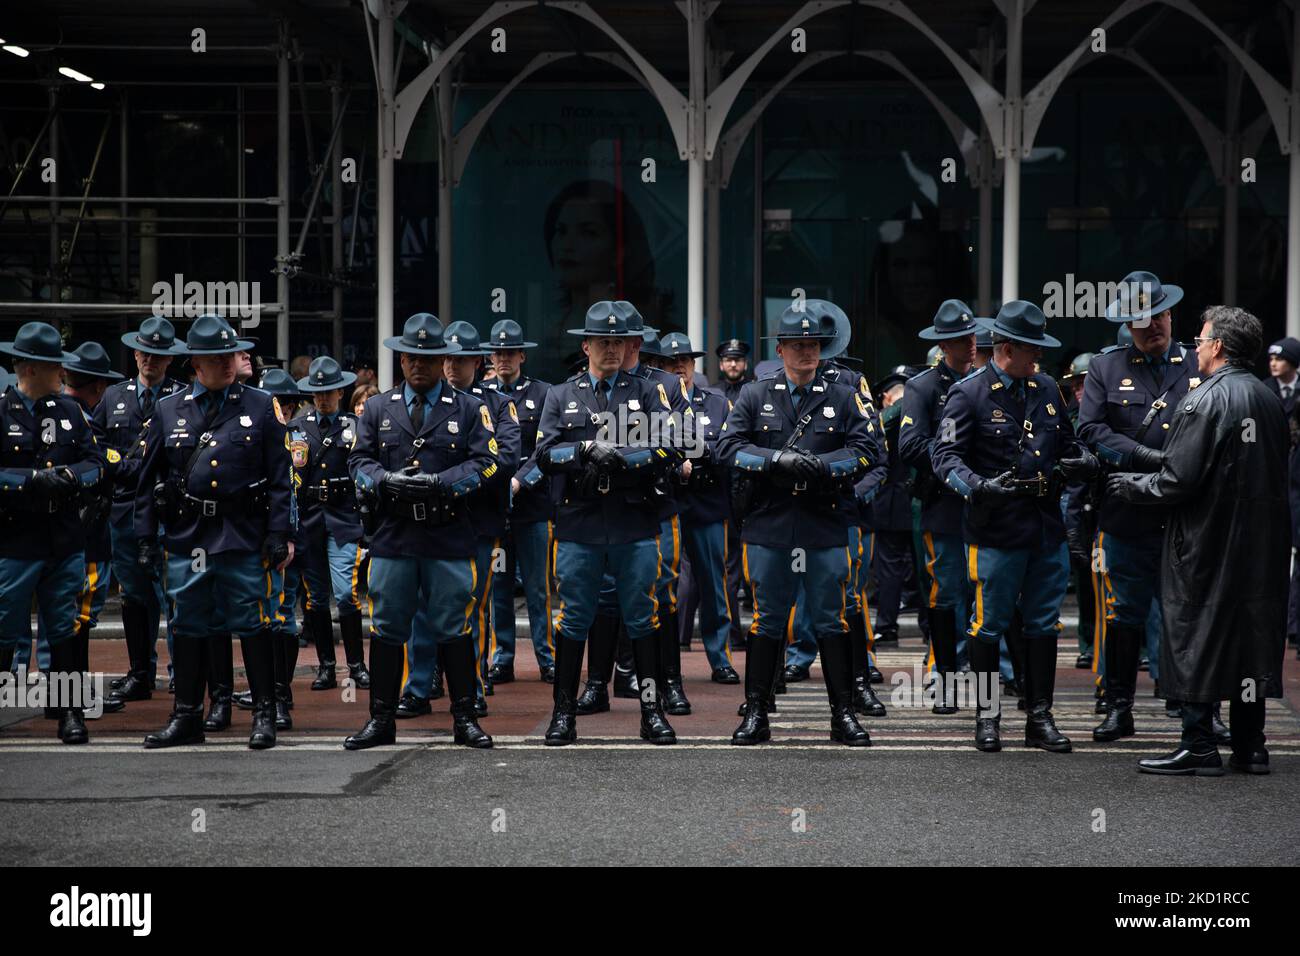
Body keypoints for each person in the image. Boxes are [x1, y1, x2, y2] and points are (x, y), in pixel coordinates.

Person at [1108, 306, 1288, 776]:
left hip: (1205, 543)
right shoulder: (1268, 399)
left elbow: (1176, 481)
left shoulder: (1205, 399)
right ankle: (1250, 745)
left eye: (1202, 338)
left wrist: (1125, 486)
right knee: (1250, 641)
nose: (1196, 346)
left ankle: (1199, 743)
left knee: (1194, 634)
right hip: (1260, 546)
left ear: (1219, 347)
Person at [930, 300, 1099, 754]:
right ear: (1007, 348)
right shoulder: (969, 393)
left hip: (1044, 525)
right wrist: (978, 487)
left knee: (1044, 624)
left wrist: (1081, 460)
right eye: (1032, 349)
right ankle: (988, 718)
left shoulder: (1045, 388)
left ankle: (1039, 715)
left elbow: (1066, 442)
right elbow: (943, 457)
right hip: (996, 528)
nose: (1039, 357)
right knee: (988, 625)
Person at [133, 315, 294, 749]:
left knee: (253, 621)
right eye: (217, 357)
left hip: (242, 533)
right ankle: (187, 715)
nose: (227, 363)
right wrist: (145, 537)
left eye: (231, 355)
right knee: (187, 622)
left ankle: (264, 714)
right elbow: (146, 481)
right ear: (195, 364)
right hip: (189, 536)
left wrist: (280, 532)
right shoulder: (169, 409)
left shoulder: (261, 405)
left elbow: (282, 478)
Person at [718, 305, 876, 746]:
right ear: (782, 349)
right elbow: (728, 448)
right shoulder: (755, 393)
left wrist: (823, 467)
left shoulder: (844, 394)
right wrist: (777, 459)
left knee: (831, 620)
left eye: (814, 345)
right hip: (771, 524)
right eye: (798, 345)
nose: (807, 352)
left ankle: (842, 713)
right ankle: (756, 712)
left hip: (825, 521)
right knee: (767, 620)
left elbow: (867, 451)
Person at [345, 313, 498, 750]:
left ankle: (465, 719)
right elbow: (358, 461)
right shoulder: (378, 408)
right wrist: (385, 480)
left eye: (428, 358)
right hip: (394, 535)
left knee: (454, 626)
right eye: (411, 357)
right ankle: (381, 719)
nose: (418, 365)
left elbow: (487, 463)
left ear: (442, 359)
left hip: (447, 534)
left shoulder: (469, 408)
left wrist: (442, 484)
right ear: (401, 358)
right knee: (389, 627)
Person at [533, 301, 681, 746]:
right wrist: (581, 452)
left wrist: (624, 457)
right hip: (579, 524)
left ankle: (651, 712)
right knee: (574, 618)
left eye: (618, 341)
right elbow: (543, 453)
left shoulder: (649, 391)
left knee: (643, 617)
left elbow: (671, 446)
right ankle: (563, 713)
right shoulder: (562, 394)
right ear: (587, 345)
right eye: (603, 341)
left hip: (634, 520)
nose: (611, 349)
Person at [1077, 272, 1199, 744]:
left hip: (1184, 515)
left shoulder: (1195, 364)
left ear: (1171, 314)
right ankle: (1118, 706)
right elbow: (1089, 432)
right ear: (1128, 325)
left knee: (1185, 614)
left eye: (1161, 315)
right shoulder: (1106, 367)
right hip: (1127, 513)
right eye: (1142, 320)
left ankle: (1194, 708)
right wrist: (1144, 456)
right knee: (1123, 614)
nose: (1154, 326)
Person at [0, 323, 107, 744]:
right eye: (52, 364)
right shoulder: (2, 410)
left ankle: (70, 712)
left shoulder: (70, 412)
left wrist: (72, 477)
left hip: (62, 539)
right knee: (5, 624)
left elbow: (97, 461)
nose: (61, 371)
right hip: (15, 540)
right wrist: (26, 481)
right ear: (29, 367)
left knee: (65, 627)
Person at [899, 300, 983, 714]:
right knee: (946, 592)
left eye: (971, 337)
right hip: (944, 502)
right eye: (960, 340)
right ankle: (943, 675)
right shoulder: (924, 386)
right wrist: (954, 453)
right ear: (943, 344)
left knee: (982, 592)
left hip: (984, 503)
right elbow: (909, 445)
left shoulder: (986, 381)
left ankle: (983, 673)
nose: (970, 345)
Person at [98, 317, 185, 704]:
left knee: (176, 595)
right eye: (144, 352)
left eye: (158, 355)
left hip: (167, 511)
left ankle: (181, 673)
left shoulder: (180, 399)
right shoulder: (114, 397)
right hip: (125, 510)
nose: (150, 360)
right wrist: (120, 465)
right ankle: (140, 673)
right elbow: (95, 444)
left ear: (169, 360)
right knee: (134, 596)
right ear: (135, 353)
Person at [441, 320, 521, 711]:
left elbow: (506, 457)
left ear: (478, 361)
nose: (454, 367)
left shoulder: (497, 403)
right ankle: (422, 685)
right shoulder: (424, 400)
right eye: (449, 360)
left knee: (473, 604)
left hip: (478, 519)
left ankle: (472, 684)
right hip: (434, 520)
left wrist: (456, 476)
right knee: (429, 606)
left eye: (463, 360)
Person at [660, 331, 737, 682]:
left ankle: (720, 659)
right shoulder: (655, 402)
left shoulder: (718, 402)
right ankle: (666, 659)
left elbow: (729, 447)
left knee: (713, 583)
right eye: (671, 362)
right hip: (668, 502)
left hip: (706, 503)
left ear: (693, 365)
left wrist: (698, 455)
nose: (679, 366)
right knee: (664, 583)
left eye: (685, 360)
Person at [53, 343, 125, 717]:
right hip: (82, 527)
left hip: (68, 527)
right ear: (99, 387)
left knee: (67, 614)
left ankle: (62, 696)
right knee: (77, 615)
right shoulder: (78, 415)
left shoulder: (62, 411)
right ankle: (70, 697)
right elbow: (105, 463)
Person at [289, 357, 369, 694]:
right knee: (316, 598)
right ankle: (326, 667)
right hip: (309, 519)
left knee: (346, 594)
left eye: (329, 391)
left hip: (343, 517)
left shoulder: (355, 426)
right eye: (317, 392)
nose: (324, 398)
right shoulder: (297, 427)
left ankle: (356, 666)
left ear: (340, 391)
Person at [485, 319, 556, 684]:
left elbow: (543, 449)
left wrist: (517, 481)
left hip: (531, 505)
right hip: (496, 510)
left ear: (522, 356)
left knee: (537, 586)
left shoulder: (542, 395)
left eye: (509, 352)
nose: (503, 359)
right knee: (498, 584)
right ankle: (503, 658)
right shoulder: (482, 395)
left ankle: (547, 657)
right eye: (497, 353)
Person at [864, 365, 918, 647]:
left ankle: (887, 628)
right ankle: (898, 628)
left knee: (892, 569)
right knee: (906, 569)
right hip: (903, 501)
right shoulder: (902, 415)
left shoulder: (892, 416)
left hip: (896, 501)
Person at [1059, 352, 1097, 671]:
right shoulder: (1066, 417)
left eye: (1085, 383)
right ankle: (1087, 642)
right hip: (1076, 509)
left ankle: (1138, 648)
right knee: (1085, 580)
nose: (1080, 391)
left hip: (1105, 507)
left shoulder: (1109, 414)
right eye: (1075, 385)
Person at [715, 338, 752, 404]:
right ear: (721, 365)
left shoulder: (754, 391)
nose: (733, 364)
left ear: (745, 364)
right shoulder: (713, 392)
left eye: (737, 360)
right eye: (728, 360)